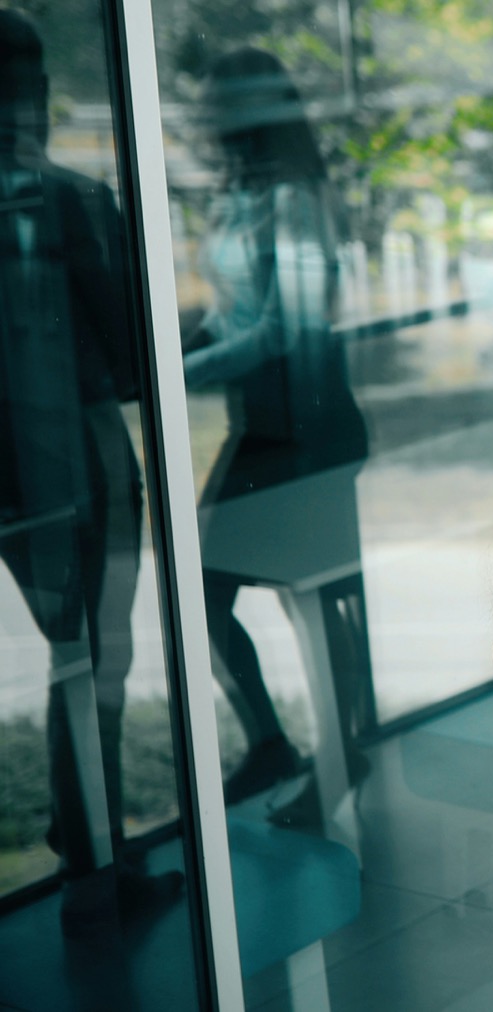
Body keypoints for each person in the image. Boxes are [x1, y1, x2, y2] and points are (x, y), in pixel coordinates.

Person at [0, 6, 180, 940]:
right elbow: (128, 355)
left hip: (23, 486)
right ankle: (93, 870)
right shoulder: (65, 200)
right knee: (99, 663)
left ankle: (82, 837)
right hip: (79, 467)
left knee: (78, 660)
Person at [183, 48, 373, 805]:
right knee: (203, 593)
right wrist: (181, 344)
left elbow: (284, 331)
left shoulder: (294, 197)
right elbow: (236, 315)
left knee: (314, 603)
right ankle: (273, 744)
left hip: (307, 423)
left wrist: (180, 373)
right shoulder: (240, 194)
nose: (213, 115)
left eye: (225, 101)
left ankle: (337, 762)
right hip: (261, 422)